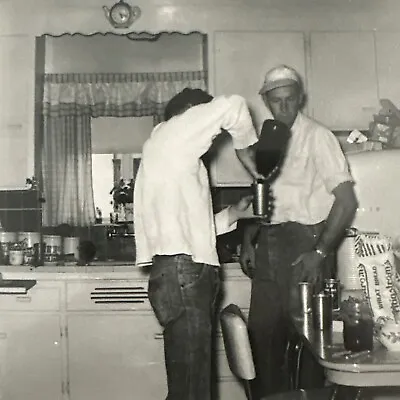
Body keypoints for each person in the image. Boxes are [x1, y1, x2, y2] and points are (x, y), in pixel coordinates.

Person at [133, 88, 262, 400]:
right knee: (192, 390)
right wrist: (255, 165)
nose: (213, 137)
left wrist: (234, 213)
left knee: (188, 385)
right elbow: (234, 105)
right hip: (184, 273)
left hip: (180, 272)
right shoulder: (173, 136)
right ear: (189, 114)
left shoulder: (169, 155)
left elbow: (190, 229)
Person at [239, 65, 358, 398]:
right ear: (266, 101)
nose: (284, 108)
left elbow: (346, 202)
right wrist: (251, 236)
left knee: (308, 343)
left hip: (306, 242)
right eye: (276, 101)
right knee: (261, 338)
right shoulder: (268, 139)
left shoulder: (318, 137)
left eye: (290, 100)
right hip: (270, 245)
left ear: (300, 98)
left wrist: (320, 253)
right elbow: (266, 195)